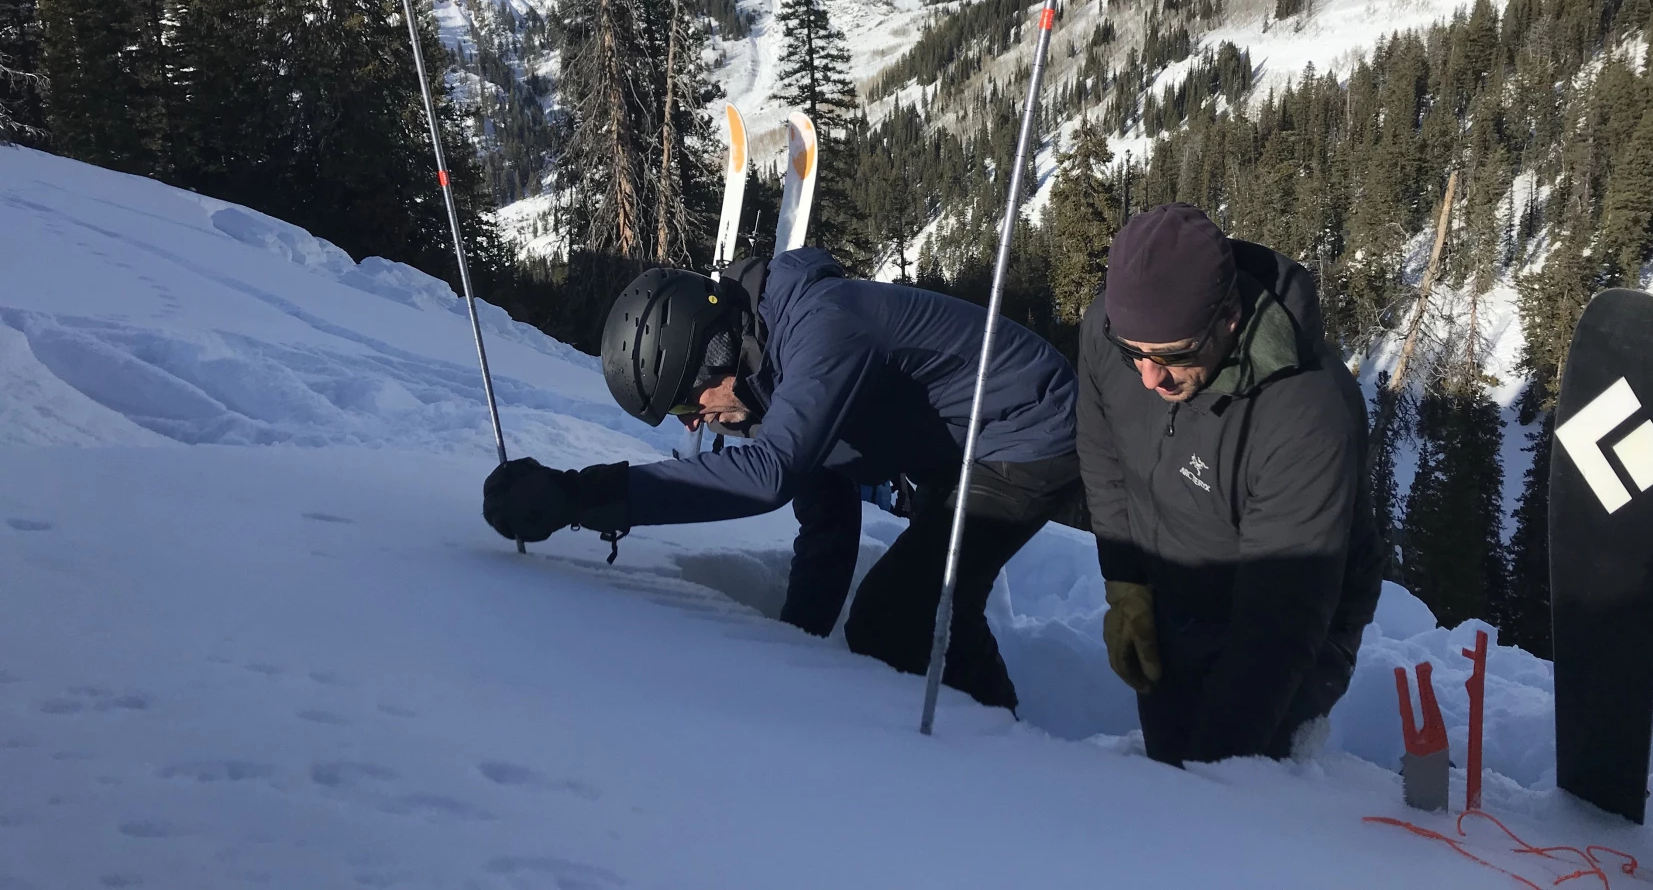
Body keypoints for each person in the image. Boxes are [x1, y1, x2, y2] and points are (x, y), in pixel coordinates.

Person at [482, 248, 1081, 715]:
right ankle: (980, 731)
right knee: (932, 599)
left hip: (1026, 433)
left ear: (716, 350)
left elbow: (770, 476)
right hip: (955, 449)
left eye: (689, 401)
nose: (694, 422)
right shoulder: (765, 377)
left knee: (893, 616)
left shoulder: (822, 333)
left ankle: (1002, 757)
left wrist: (583, 494)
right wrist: (792, 655)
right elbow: (829, 521)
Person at [1077, 203, 1383, 766]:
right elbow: (1104, 461)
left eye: (1173, 357)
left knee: (1236, 793)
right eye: (1134, 354)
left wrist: (1213, 775)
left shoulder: (1307, 416)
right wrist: (1126, 582)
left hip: (1287, 629)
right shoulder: (1112, 333)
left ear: (1229, 319)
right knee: (1167, 756)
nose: (1148, 378)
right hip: (1172, 593)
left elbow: (1279, 625)